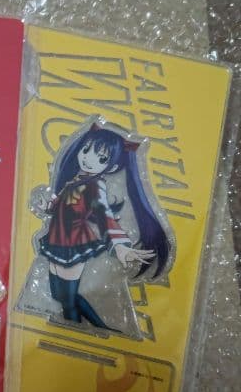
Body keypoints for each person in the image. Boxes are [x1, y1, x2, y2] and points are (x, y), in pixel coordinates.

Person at [34, 123, 170, 330]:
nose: (88, 159)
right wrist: (47, 207)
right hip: (56, 239)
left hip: (74, 243)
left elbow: (104, 216)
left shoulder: (94, 186)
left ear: (112, 167)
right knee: (59, 295)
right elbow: (63, 207)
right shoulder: (75, 180)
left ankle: (77, 331)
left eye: (101, 158)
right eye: (86, 149)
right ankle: (100, 326)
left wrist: (120, 246)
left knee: (67, 301)